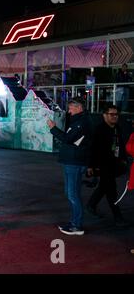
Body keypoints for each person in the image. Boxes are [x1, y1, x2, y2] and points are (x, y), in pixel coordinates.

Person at [47, 97, 92, 236]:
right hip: (72, 161)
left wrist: (53, 128)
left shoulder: (81, 122)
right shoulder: (79, 121)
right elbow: (70, 139)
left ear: (79, 108)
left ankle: (76, 225)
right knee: (70, 193)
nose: (69, 110)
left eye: (71, 108)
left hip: (74, 161)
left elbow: (67, 139)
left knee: (73, 194)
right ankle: (74, 222)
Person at [86, 105, 129, 227]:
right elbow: (92, 149)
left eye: (116, 114)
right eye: (112, 114)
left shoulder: (117, 129)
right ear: (104, 115)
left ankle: (91, 205)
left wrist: (124, 160)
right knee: (111, 190)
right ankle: (118, 217)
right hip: (102, 165)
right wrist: (91, 166)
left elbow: (120, 146)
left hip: (114, 164)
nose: (115, 116)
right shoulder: (99, 130)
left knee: (104, 187)